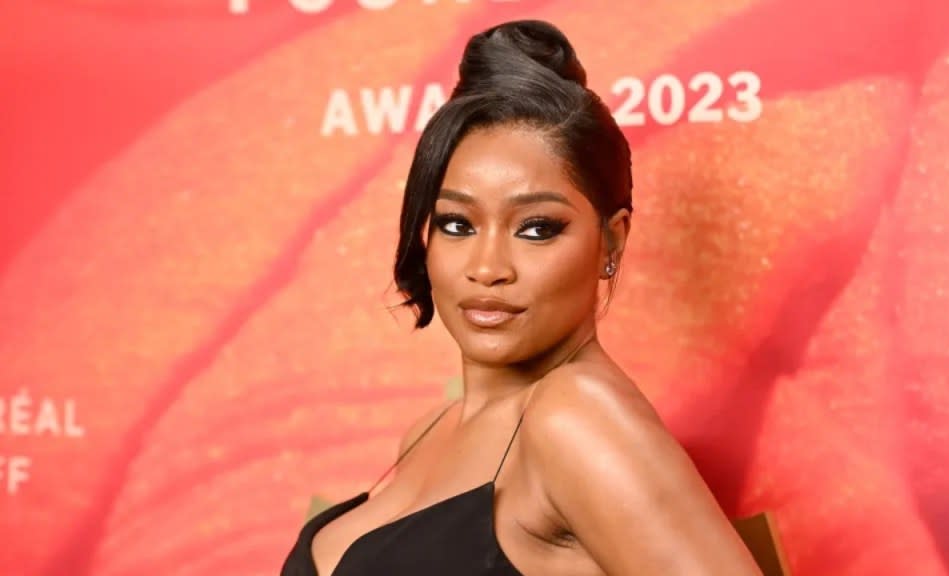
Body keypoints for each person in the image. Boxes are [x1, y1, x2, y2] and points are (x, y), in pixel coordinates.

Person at [281, 19, 762, 576]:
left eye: (535, 228)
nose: (488, 269)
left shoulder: (575, 418)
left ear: (612, 239)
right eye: (458, 224)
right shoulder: (431, 431)